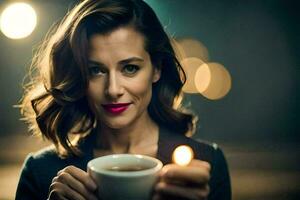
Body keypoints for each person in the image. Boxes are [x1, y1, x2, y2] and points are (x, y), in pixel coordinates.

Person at [16, 0, 231, 199]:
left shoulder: (207, 165)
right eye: (96, 70)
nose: (113, 90)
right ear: (80, 76)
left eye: (130, 68)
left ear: (156, 69)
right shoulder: (40, 172)